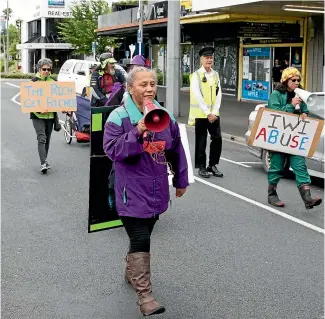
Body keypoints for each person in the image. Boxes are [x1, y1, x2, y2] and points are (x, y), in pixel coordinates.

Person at [103, 66, 189, 316]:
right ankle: (145, 295)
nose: (150, 88)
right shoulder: (118, 117)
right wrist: (138, 130)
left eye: (153, 83)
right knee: (141, 238)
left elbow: (176, 150)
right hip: (129, 190)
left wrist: (181, 180)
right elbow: (113, 151)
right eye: (143, 84)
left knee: (142, 235)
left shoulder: (165, 117)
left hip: (157, 188)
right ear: (130, 88)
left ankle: (131, 271)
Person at [267, 67, 322, 209]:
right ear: (286, 81)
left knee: (300, 166)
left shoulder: (301, 95)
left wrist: (304, 113)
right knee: (277, 167)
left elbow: (304, 110)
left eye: (298, 80)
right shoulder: (276, 94)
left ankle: (308, 199)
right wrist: (290, 106)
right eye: (293, 80)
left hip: (294, 138)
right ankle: (272, 194)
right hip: (280, 137)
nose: (297, 82)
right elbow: (274, 113)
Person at [188, 46, 223, 178]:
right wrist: (208, 112)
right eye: (206, 58)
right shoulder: (196, 75)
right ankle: (201, 167)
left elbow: (219, 94)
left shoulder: (215, 75)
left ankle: (212, 165)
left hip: (214, 115)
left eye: (211, 58)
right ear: (201, 59)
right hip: (201, 115)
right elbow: (197, 95)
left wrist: (214, 112)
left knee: (217, 139)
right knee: (201, 141)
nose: (209, 60)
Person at [30, 58, 57, 174]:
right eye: (44, 69)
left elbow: (59, 99)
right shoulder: (34, 82)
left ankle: (44, 160)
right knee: (42, 138)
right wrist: (40, 110)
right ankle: (43, 163)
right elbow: (28, 100)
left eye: (48, 69)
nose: (46, 71)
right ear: (39, 69)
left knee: (47, 139)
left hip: (50, 116)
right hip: (37, 116)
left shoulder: (54, 81)